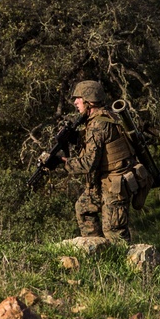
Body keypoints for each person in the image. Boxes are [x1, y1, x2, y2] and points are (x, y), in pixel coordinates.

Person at [60, 80, 138, 242]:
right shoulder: (104, 116)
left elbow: (89, 163)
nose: (75, 102)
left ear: (89, 100)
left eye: (79, 98)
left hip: (114, 185)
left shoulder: (98, 124)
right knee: (83, 208)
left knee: (114, 233)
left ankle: (125, 265)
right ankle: (97, 251)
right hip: (103, 181)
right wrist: (77, 138)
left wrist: (64, 162)